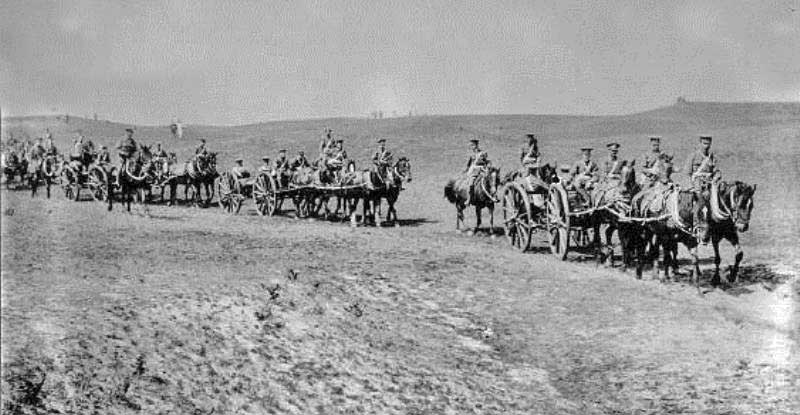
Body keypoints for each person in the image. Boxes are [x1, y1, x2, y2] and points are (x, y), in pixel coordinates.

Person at [683, 135, 718, 243]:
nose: (706, 146)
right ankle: (694, 226)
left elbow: (716, 171)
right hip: (696, 184)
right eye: (704, 143)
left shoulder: (712, 157)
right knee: (694, 206)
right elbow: (687, 173)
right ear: (700, 143)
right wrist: (691, 186)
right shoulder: (693, 156)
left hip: (709, 185)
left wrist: (717, 176)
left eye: (708, 144)